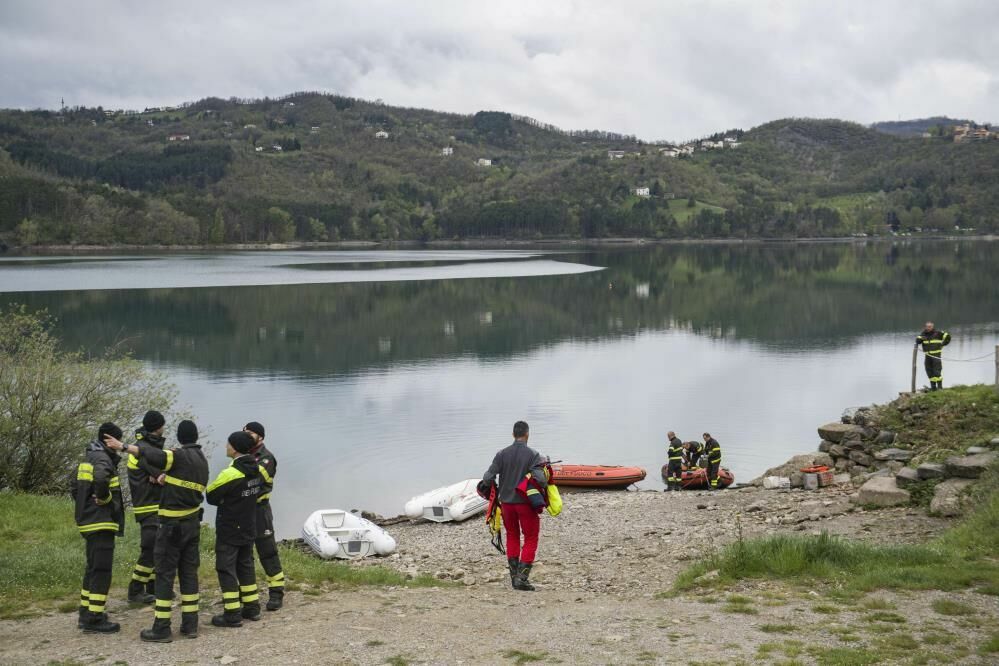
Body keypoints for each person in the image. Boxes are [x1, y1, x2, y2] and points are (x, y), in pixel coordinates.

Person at [105, 420, 209, 642]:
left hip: (171, 526)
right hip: (192, 524)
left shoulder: (176, 456)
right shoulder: (202, 460)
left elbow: (150, 454)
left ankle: (161, 628)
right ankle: (190, 625)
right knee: (189, 574)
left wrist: (122, 447)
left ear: (180, 438)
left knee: (164, 575)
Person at [482, 420, 547, 591]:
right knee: (531, 537)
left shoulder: (501, 454)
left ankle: (514, 578)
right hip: (525, 503)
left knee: (512, 535)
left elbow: (488, 478)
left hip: (506, 504)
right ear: (527, 434)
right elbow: (541, 479)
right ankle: (522, 578)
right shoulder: (533, 455)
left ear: (513, 435)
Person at [73, 423, 126, 633]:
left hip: (89, 521)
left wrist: (84, 504)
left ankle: (86, 612)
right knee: (102, 570)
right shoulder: (103, 459)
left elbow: (73, 485)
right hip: (102, 522)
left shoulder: (89, 456)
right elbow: (102, 478)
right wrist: (105, 499)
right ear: (110, 440)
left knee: (92, 568)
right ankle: (94, 618)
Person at [206, 431, 263, 627]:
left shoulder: (231, 473)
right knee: (245, 567)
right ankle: (252, 608)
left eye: (228, 444)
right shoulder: (257, 468)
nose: (226, 447)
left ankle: (232, 613)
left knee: (225, 568)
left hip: (230, 527)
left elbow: (210, 495)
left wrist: (227, 498)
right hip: (248, 525)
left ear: (235, 448)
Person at [126, 410, 167, 604]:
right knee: (149, 549)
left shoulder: (148, 446)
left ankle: (153, 587)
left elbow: (160, 472)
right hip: (147, 505)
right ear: (159, 427)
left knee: (157, 548)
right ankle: (135, 589)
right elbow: (160, 475)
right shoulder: (140, 449)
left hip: (155, 504)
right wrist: (158, 475)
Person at [244, 421, 286, 611]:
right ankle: (247, 596)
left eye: (250, 433)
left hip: (260, 511)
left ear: (260, 437)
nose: (246, 435)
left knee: (268, 552)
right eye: (244, 432)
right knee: (244, 554)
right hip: (243, 511)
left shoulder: (266, 458)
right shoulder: (243, 456)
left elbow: (253, 479)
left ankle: (276, 594)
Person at [916, 322, 951, 391]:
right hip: (927, 356)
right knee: (929, 371)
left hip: (936, 356)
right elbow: (917, 340)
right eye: (927, 326)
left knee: (937, 372)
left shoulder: (938, 333)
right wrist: (920, 339)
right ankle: (933, 388)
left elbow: (948, 336)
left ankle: (940, 387)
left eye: (930, 327)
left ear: (932, 327)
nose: (928, 328)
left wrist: (943, 344)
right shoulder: (923, 334)